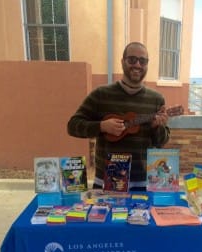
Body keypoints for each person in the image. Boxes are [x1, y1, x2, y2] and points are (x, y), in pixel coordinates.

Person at [67, 42, 170, 190]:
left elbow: (161, 141)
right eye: (132, 60)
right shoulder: (101, 94)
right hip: (107, 181)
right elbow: (72, 126)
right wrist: (101, 126)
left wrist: (157, 127)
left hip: (143, 183)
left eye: (143, 61)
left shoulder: (156, 99)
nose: (138, 65)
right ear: (122, 62)